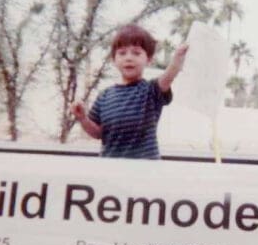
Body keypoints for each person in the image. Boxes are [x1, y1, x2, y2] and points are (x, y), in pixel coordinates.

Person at [71, 24, 188, 159]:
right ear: (114, 59)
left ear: (148, 59)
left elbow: (168, 77)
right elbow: (97, 133)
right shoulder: (104, 96)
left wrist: (177, 60)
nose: (129, 58)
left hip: (146, 171)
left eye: (136, 53)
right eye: (122, 53)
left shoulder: (150, 91)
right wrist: (82, 118)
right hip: (110, 169)